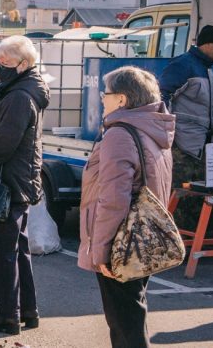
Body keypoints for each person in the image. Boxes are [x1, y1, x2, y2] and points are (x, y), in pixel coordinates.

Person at [78, 66, 174, 348]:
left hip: (121, 242)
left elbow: (113, 200)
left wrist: (102, 251)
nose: (102, 100)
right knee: (133, 312)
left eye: (105, 95)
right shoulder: (153, 128)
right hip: (145, 237)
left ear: (122, 100)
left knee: (124, 322)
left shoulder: (120, 134)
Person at [0, 35, 48, 335]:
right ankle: (27, 310)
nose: (0, 67)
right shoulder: (23, 89)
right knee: (19, 250)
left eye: (6, 63)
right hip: (19, 180)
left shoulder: (18, 97)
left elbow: (4, 146)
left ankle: (7, 316)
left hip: (9, 182)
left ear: (24, 64)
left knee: (3, 252)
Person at [159, 24, 213, 236]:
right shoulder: (184, 65)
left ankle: (198, 238)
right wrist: (166, 129)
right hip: (182, 142)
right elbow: (161, 94)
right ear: (209, 44)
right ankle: (177, 242)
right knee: (182, 193)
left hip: (205, 143)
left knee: (203, 194)